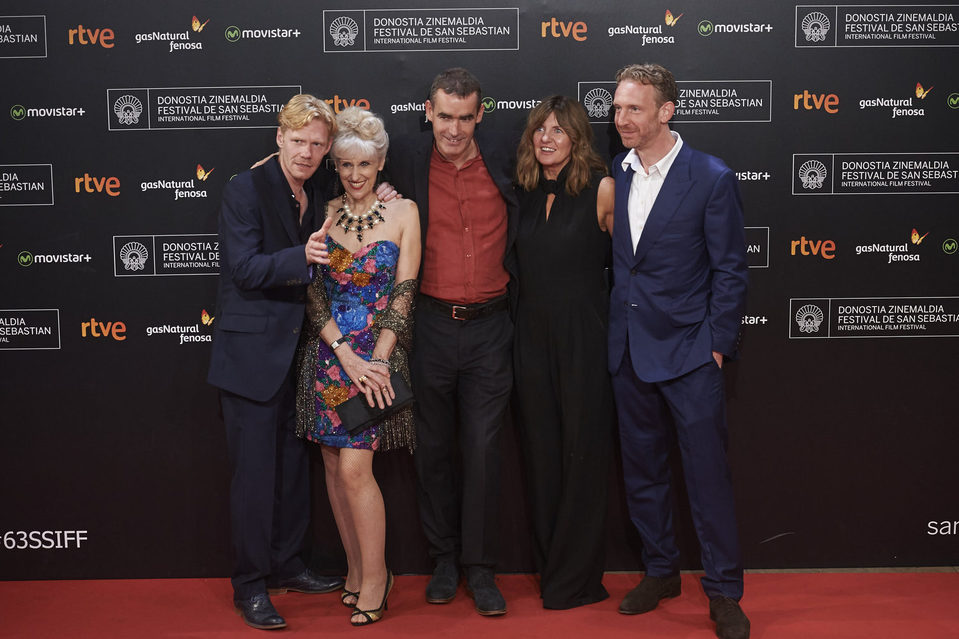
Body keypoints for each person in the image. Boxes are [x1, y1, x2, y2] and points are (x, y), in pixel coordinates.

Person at [608, 63, 750, 639]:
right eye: (617, 108)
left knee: (707, 477)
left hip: (691, 352)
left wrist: (717, 346)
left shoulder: (710, 177)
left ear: (666, 111)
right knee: (642, 473)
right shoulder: (615, 175)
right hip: (628, 351)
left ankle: (723, 593)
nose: (621, 119)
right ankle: (661, 570)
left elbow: (731, 270)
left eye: (633, 109)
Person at [207, 94, 346, 631]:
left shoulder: (314, 192)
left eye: (318, 144)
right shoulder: (244, 188)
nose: (307, 152)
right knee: (253, 479)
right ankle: (250, 585)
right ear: (279, 138)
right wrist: (301, 258)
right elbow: (242, 268)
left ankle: (289, 564)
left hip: (295, 356)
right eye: (299, 141)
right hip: (249, 360)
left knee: (292, 473)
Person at [387, 67, 518, 617]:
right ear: (428, 111)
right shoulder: (406, 163)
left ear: (480, 115)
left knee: (485, 451)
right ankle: (443, 560)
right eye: (445, 116)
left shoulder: (508, 160)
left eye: (466, 118)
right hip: (432, 326)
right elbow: (343, 173)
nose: (455, 129)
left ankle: (481, 567)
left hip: (493, 326)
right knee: (434, 449)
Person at [294, 106, 420, 627]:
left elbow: (405, 295)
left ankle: (377, 576)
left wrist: (376, 362)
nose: (354, 174)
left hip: (378, 357)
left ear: (381, 161)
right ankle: (353, 570)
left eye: (364, 164)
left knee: (354, 467)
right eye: (344, 164)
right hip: (329, 355)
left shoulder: (404, 212)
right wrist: (344, 353)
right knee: (331, 463)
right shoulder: (322, 213)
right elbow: (312, 295)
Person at [512, 96, 615, 609]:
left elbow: (635, 268)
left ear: (578, 137)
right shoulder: (525, 193)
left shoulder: (603, 190)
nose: (547, 137)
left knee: (582, 455)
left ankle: (576, 579)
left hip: (584, 339)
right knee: (543, 454)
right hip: (528, 338)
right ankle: (553, 565)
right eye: (540, 129)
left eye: (559, 129)